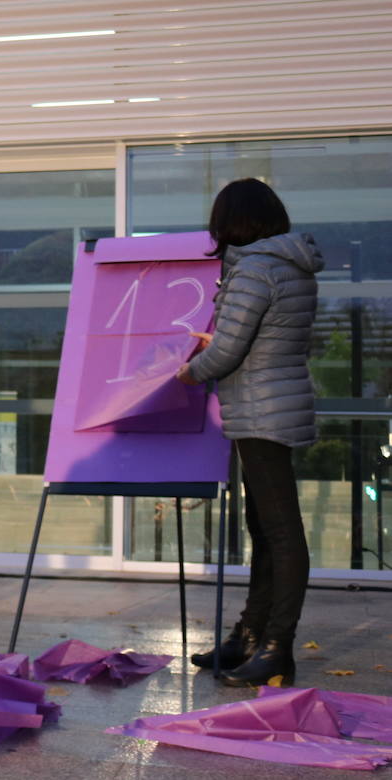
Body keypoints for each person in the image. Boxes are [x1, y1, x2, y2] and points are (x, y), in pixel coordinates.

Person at [177, 177, 322, 688]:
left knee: (280, 532)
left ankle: (276, 647)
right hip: (272, 405)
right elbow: (261, 339)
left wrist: (187, 369)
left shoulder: (255, 269)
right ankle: (251, 636)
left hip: (263, 411)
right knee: (266, 528)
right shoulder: (286, 265)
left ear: (232, 222)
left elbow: (230, 351)